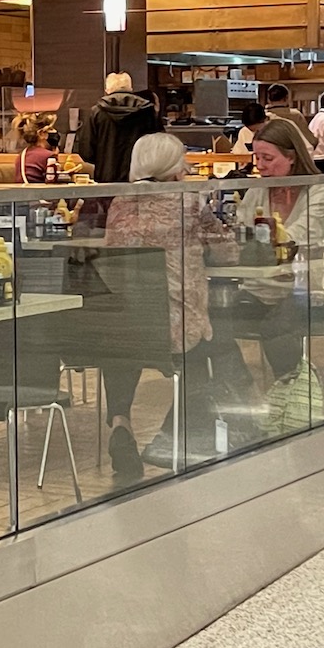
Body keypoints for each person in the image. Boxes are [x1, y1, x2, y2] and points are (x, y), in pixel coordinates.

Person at [103, 133, 231, 479]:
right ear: (175, 169)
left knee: (122, 351)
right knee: (206, 352)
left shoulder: (120, 202)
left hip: (130, 322)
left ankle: (120, 420)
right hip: (178, 324)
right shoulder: (188, 202)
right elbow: (226, 250)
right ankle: (171, 437)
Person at [231, 117, 324, 380]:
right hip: (263, 288)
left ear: (292, 157)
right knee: (214, 324)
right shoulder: (258, 191)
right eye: (256, 158)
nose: (259, 166)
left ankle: (294, 390)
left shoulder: (321, 193)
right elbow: (241, 233)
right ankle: (238, 388)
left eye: (267, 159)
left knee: (276, 328)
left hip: (314, 289)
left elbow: (294, 239)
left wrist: (256, 239)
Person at [72, 73, 163, 184]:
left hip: (106, 178)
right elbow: (160, 145)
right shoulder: (147, 111)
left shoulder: (97, 112)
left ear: (107, 90)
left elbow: (86, 150)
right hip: (141, 177)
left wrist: (102, 161)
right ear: (130, 89)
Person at [264, 83, 317, 150]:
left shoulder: (263, 116)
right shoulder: (295, 115)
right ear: (287, 98)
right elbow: (311, 140)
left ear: (268, 99)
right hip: (292, 155)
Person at [11, 111, 59, 183]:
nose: (55, 132)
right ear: (42, 134)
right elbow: (53, 183)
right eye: (51, 129)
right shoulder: (48, 156)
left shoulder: (22, 155)